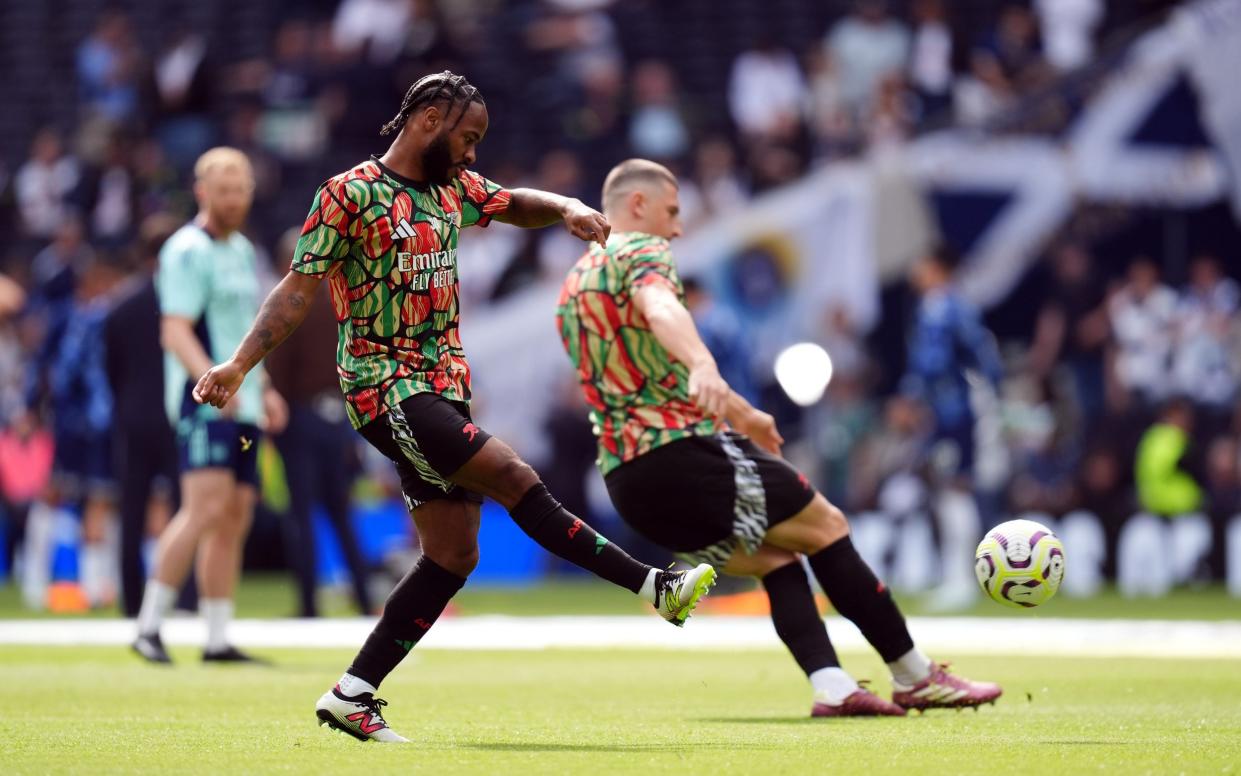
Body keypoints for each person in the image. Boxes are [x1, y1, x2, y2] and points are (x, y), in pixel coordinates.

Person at [191, 71, 717, 743]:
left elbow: (510, 202)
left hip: (440, 386)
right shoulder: (350, 195)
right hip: (385, 387)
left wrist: (562, 207)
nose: (472, 152)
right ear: (429, 119)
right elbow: (297, 290)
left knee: (453, 554)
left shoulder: (452, 189)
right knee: (514, 477)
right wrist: (240, 363)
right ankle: (654, 587)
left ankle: (351, 694)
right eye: (467, 137)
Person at [555, 159, 1001, 718]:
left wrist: (743, 415)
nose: (677, 228)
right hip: (683, 457)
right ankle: (915, 675)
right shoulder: (640, 250)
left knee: (777, 559)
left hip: (629, 483)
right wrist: (703, 361)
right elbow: (662, 306)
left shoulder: (573, 286)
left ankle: (832, 685)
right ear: (638, 206)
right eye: (672, 212)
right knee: (829, 526)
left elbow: (647, 379)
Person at [132, 148, 289, 664]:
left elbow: (246, 332)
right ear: (202, 193)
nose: (234, 198)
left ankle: (216, 637)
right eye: (224, 189)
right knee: (201, 509)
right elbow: (173, 329)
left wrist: (263, 389)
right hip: (205, 403)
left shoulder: (243, 251)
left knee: (235, 514)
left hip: (243, 405)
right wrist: (213, 385)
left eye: (241, 188)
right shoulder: (185, 250)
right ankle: (149, 626)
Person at [264, 227, 374, 618]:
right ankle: (363, 598)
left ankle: (309, 604)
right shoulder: (341, 300)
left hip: (301, 417)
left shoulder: (291, 303)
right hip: (339, 417)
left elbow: (278, 369)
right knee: (342, 515)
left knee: (303, 515)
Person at [103, 214, 182, 618]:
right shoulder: (186, 303)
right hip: (176, 417)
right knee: (186, 510)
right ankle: (182, 598)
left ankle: (131, 602)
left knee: (131, 511)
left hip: (132, 419)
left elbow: (111, 369)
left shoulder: (119, 307)